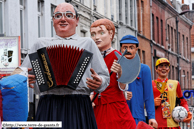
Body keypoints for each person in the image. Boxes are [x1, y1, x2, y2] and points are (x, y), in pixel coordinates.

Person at [21, 3, 110, 129]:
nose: (63, 19)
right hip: (48, 104)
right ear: (53, 20)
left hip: (79, 105)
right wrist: (24, 78)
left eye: (69, 15)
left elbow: (104, 76)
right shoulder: (39, 44)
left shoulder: (88, 43)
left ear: (77, 20)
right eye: (58, 16)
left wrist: (99, 82)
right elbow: (21, 74)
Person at [90, 19, 136, 129]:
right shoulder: (90, 58)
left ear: (111, 34)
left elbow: (123, 87)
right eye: (93, 34)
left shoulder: (118, 56)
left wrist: (120, 72)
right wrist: (89, 98)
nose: (96, 37)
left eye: (101, 33)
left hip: (115, 109)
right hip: (95, 108)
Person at [120, 35, 158, 128]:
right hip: (119, 114)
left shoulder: (144, 69)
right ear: (121, 49)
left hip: (137, 116)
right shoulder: (117, 67)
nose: (128, 50)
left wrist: (151, 117)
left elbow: (148, 96)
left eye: (131, 47)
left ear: (136, 49)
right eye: (125, 47)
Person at [152, 58, 192, 129]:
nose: (163, 68)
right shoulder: (150, 84)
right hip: (156, 124)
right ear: (156, 69)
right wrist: (152, 103)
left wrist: (187, 112)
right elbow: (142, 103)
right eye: (161, 66)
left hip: (173, 125)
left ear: (169, 69)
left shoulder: (175, 83)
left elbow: (183, 101)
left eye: (166, 66)